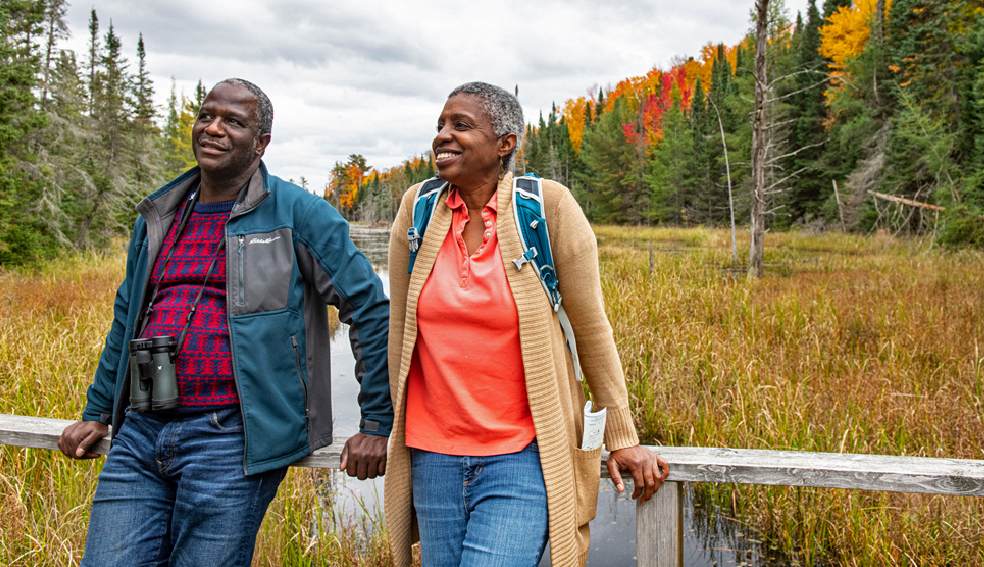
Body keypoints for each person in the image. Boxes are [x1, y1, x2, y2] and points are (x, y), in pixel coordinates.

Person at [56, 78, 391, 566]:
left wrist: (376, 421)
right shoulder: (160, 213)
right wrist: (97, 411)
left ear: (261, 143)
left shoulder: (299, 213)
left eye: (233, 121)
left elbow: (368, 307)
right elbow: (127, 317)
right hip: (141, 431)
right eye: (206, 115)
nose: (213, 128)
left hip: (232, 441)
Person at [384, 81, 670, 567]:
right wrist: (380, 422)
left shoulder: (548, 207)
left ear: (505, 143)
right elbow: (396, 330)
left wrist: (622, 436)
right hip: (431, 455)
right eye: (440, 125)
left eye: (461, 125)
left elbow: (591, 328)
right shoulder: (419, 207)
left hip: (520, 457)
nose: (442, 136)